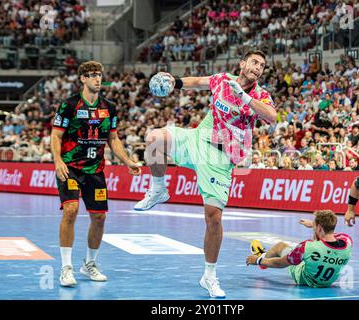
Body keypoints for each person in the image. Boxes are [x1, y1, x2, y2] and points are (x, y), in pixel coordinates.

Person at [134, 50, 276, 298]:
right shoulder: (222, 79)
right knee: (154, 138)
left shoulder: (260, 95)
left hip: (219, 157)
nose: (258, 67)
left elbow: (271, 117)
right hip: (198, 139)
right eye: (254, 62)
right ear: (242, 63)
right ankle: (158, 188)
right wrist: (174, 82)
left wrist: (243, 96)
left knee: (214, 219)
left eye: (262, 65)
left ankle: (209, 275)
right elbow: (198, 82)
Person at [51, 61, 141, 287]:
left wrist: (128, 161)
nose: (97, 79)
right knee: (70, 210)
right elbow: (56, 136)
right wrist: (57, 160)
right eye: (91, 75)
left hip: (96, 170)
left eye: (99, 75)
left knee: (99, 218)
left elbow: (113, 138)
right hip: (70, 168)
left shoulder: (109, 107)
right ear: (82, 79)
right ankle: (66, 267)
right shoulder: (69, 105)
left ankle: (89, 264)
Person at [246, 210, 353, 288]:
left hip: (305, 279)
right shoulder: (347, 242)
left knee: (280, 246)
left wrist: (258, 261)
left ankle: (262, 257)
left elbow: (280, 263)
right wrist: (314, 225)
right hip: (328, 282)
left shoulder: (306, 247)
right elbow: (330, 233)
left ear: (319, 227)